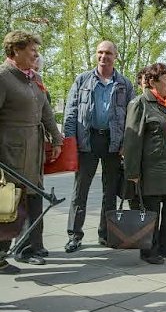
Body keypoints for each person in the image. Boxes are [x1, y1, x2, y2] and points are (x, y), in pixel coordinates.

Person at [63, 40, 135, 253]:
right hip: (87, 140)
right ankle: (74, 235)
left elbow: (131, 117)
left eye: (108, 53)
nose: (104, 57)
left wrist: (125, 143)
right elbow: (71, 112)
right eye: (100, 52)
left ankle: (106, 234)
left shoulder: (124, 83)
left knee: (110, 190)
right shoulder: (82, 80)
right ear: (96, 55)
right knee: (80, 190)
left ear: (116, 56)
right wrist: (70, 141)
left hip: (113, 142)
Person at [0, 30, 63, 272]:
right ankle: (4, 253)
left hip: (33, 150)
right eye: (32, 49)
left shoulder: (33, 78)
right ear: (15, 50)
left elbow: (46, 110)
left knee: (34, 198)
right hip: (10, 151)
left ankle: (31, 247)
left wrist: (55, 139)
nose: (36, 54)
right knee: (10, 203)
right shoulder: (4, 77)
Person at [123, 63, 166, 264]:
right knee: (151, 213)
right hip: (152, 169)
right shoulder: (139, 103)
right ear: (152, 82)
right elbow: (132, 141)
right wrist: (132, 172)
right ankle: (149, 250)